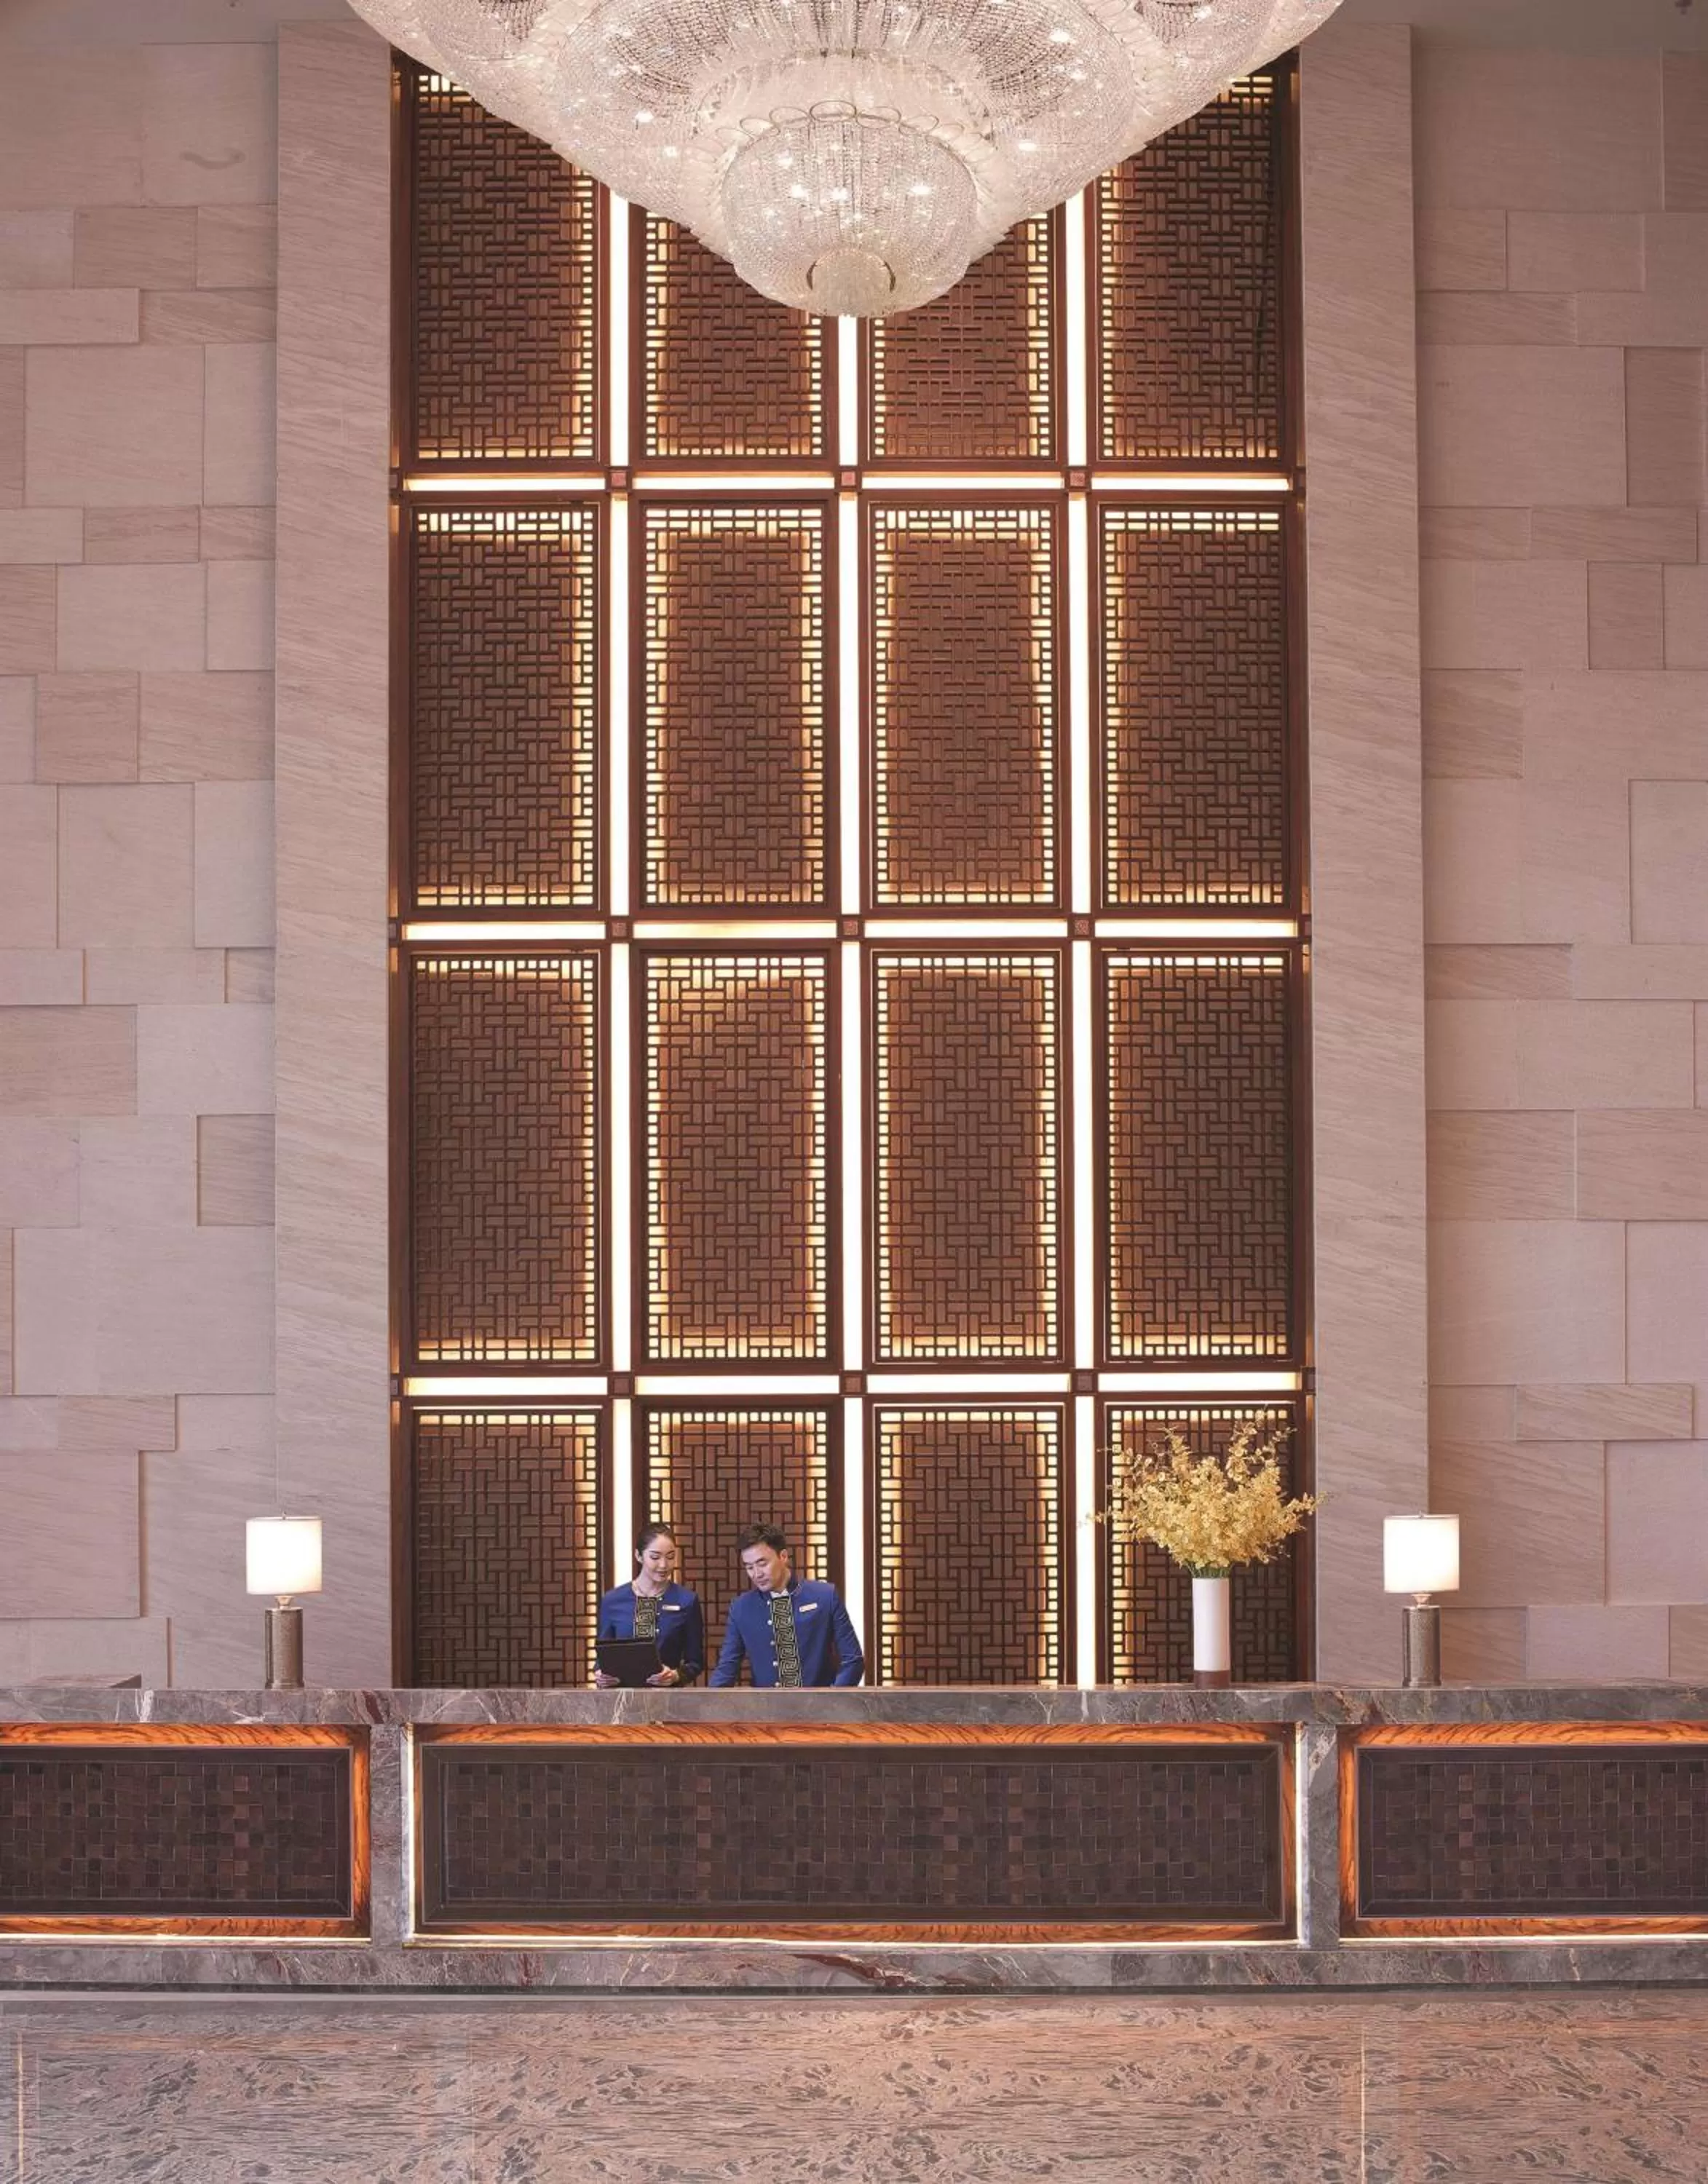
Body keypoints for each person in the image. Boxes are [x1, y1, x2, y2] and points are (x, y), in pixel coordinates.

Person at [708, 1522, 863, 1688]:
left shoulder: (825, 1596)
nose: (757, 1574)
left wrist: (831, 1699)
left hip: (819, 1702)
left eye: (762, 1564)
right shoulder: (742, 1608)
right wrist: (707, 1702)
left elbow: (853, 1660)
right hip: (766, 1704)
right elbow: (726, 1669)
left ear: (783, 1556)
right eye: (749, 1567)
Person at [594, 1522, 705, 1688]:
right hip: (621, 1697)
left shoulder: (687, 1601)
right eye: (655, 1557)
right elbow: (602, 1657)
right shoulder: (612, 1601)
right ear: (639, 1556)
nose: (663, 1565)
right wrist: (601, 1674)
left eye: (670, 1557)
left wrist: (675, 1676)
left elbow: (695, 1662)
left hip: (668, 1697)